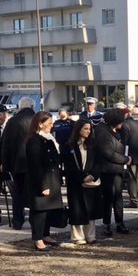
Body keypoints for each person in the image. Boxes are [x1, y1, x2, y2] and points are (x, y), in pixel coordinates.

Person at [25, 112, 64, 251]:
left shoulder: (47, 138)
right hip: (42, 181)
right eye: (49, 123)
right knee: (39, 212)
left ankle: (45, 234)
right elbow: (36, 165)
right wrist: (43, 185)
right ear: (40, 123)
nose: (52, 125)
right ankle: (38, 238)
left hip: (51, 179)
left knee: (48, 211)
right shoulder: (34, 141)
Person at [63, 119, 103, 246]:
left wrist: (93, 175)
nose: (88, 131)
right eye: (85, 129)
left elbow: (99, 163)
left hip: (91, 181)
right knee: (77, 209)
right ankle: (77, 236)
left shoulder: (94, 145)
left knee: (90, 209)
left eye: (89, 129)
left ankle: (90, 235)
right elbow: (69, 166)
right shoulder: (70, 145)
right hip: (76, 182)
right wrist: (81, 177)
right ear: (78, 129)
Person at [92, 108, 132, 237]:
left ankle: (119, 222)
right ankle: (107, 224)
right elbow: (108, 153)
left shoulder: (114, 130)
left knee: (118, 197)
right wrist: (126, 159)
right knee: (108, 197)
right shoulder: (103, 132)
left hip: (116, 169)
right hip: (107, 169)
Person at [1, 97, 37, 230]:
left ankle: (17, 221)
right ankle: (35, 221)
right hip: (34, 164)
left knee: (18, 193)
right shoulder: (37, 119)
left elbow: (5, 145)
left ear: (20, 107)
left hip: (17, 164)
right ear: (33, 107)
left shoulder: (12, 122)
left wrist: (4, 165)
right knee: (34, 193)